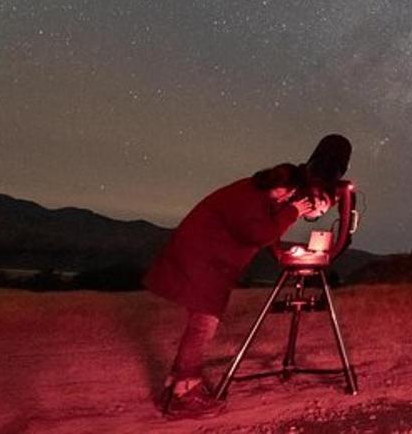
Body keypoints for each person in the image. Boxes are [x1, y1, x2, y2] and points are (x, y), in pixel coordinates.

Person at [144, 134, 352, 419]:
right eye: (311, 206)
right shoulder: (266, 196)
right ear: (287, 190)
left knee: (203, 323)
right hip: (204, 257)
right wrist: (294, 212)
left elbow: (266, 227)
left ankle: (177, 385)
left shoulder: (265, 191)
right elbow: (258, 233)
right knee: (204, 324)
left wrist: (292, 222)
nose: (309, 211)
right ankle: (182, 395)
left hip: (208, 257)